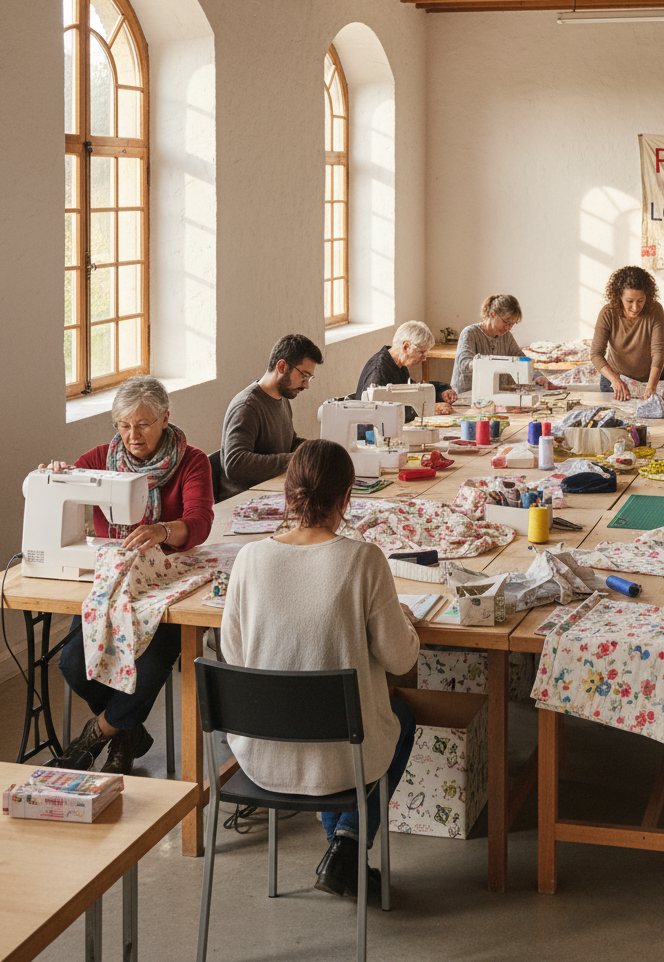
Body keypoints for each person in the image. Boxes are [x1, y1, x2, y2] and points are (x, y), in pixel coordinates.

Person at [220, 439, 419, 898]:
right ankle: (347, 844)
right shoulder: (364, 559)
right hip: (340, 758)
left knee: (337, 722)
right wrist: (403, 622)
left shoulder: (249, 559)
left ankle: (341, 851)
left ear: (287, 496)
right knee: (399, 717)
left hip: (261, 753)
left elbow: (235, 655)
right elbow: (400, 659)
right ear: (348, 498)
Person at [52, 376, 214, 774]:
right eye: (123, 425)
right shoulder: (99, 459)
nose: (132, 435)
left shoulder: (192, 461)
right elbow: (67, 487)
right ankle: (127, 732)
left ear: (165, 418)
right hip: (115, 584)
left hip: (168, 584)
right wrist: (56, 476)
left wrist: (163, 530)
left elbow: (199, 522)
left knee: (148, 666)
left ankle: (97, 734)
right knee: (73, 661)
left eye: (142, 424)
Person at [220, 333, 323, 499]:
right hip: (245, 503)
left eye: (309, 378)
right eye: (303, 376)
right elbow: (235, 464)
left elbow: (289, 443)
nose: (306, 385)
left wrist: (318, 450)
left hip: (272, 493)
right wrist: (297, 459)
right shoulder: (247, 406)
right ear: (281, 367)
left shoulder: (282, 399)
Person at [451, 294, 559, 396]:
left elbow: (521, 359)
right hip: (466, 396)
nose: (509, 327)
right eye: (506, 322)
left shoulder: (506, 336)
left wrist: (539, 377)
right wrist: (493, 364)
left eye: (512, 324)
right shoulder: (470, 333)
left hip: (492, 396)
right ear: (492, 314)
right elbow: (464, 364)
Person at [353, 320, 457, 421]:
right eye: (422, 352)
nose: (424, 358)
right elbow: (380, 412)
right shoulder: (379, 371)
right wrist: (427, 409)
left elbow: (413, 392)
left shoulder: (398, 364)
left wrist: (442, 392)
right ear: (406, 346)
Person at [590, 266, 664, 402]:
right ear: (619, 296)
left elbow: (658, 352)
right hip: (614, 383)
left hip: (649, 381)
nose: (635, 307)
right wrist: (615, 380)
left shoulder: (655, 311)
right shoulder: (608, 313)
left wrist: (651, 386)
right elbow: (596, 354)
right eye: (629, 301)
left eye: (641, 300)